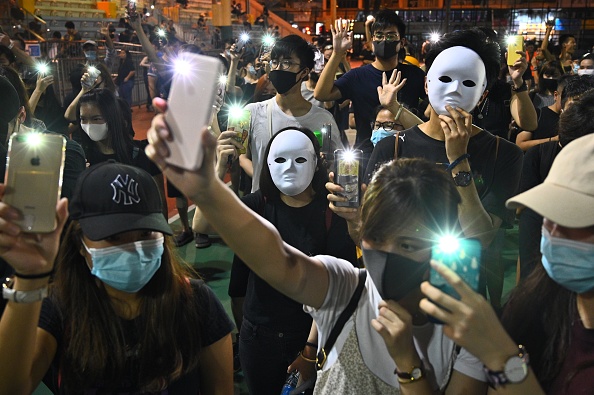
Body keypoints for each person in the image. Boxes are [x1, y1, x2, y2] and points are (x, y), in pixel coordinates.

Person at [146, 101, 552, 393]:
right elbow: (279, 259)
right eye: (376, 236)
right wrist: (209, 191)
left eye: (409, 241)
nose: (387, 251)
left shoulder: (466, 326)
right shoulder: (347, 286)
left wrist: (407, 363)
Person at [0, 161, 234, 393]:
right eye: (114, 237)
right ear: (81, 245)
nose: (135, 248)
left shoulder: (196, 301)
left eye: (145, 233)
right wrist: (30, 276)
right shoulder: (59, 309)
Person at [193, 127, 356, 394]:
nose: (290, 168)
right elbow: (201, 223)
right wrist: (220, 165)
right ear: (268, 164)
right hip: (259, 337)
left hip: (307, 335)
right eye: (280, 160)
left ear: (316, 162)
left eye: (300, 159)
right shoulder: (259, 204)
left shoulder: (331, 212)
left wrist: (309, 350)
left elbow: (335, 286)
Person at [364, 28, 523, 251]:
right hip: (401, 276)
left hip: (468, 280)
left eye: (468, 82)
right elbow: (371, 231)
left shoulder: (505, 154)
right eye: (445, 78)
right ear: (427, 84)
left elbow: (481, 237)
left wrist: (459, 159)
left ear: (483, 94)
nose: (455, 90)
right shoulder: (391, 147)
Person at [500, 133, 594, 393]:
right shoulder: (536, 305)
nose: (550, 230)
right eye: (548, 214)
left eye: (570, 218)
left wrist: (499, 356)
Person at [238, 35, 344, 193]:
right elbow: (241, 156)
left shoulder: (322, 119)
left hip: (307, 209)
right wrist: (265, 178)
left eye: (287, 63)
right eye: (275, 62)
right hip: (263, 208)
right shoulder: (252, 112)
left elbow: (338, 163)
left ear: (304, 72)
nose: (278, 68)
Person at [314, 12, 426, 155]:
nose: (384, 40)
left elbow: (431, 109)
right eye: (379, 36)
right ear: (372, 40)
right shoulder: (357, 76)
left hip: (406, 153)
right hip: (365, 155)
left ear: (402, 42)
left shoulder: (414, 74)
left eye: (391, 36)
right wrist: (337, 53)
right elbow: (321, 94)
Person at [516, 79, 594, 280]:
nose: (581, 115)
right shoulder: (539, 155)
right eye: (575, 107)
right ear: (561, 108)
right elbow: (527, 231)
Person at [76, 89, 166, 218]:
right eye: (83, 119)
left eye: (96, 118)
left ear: (112, 118)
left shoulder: (138, 154)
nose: (89, 125)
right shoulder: (80, 157)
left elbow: (158, 200)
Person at [515, 74, 572, 152]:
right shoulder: (537, 114)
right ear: (556, 95)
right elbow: (520, 144)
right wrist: (553, 140)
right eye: (566, 97)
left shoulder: (578, 118)